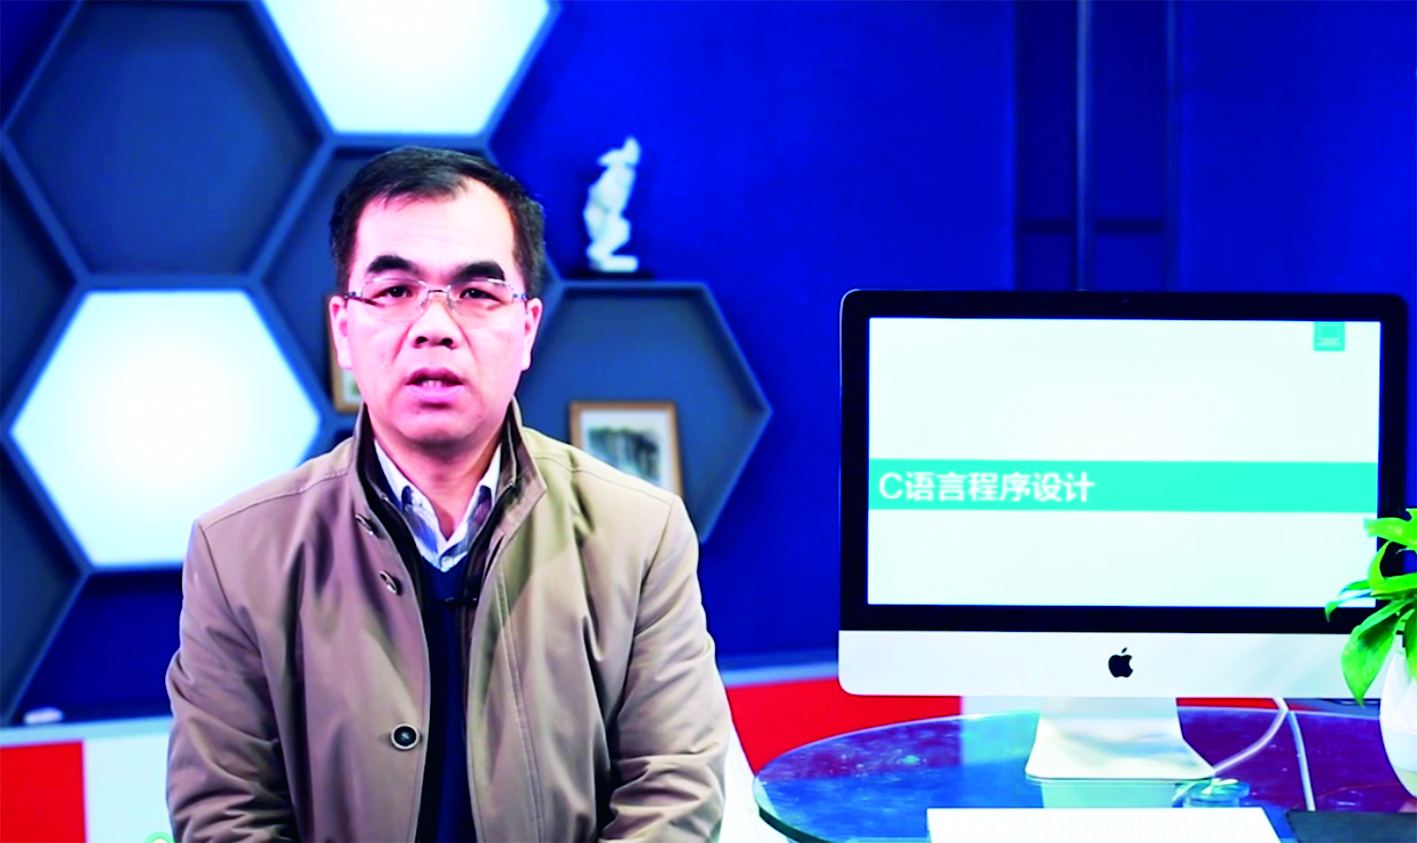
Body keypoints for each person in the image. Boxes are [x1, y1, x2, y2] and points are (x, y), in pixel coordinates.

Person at [166, 147, 730, 842]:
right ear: (343, 329)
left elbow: (674, 789)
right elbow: (226, 814)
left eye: (476, 293)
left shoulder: (640, 532)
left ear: (527, 328)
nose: (434, 326)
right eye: (395, 291)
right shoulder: (235, 551)